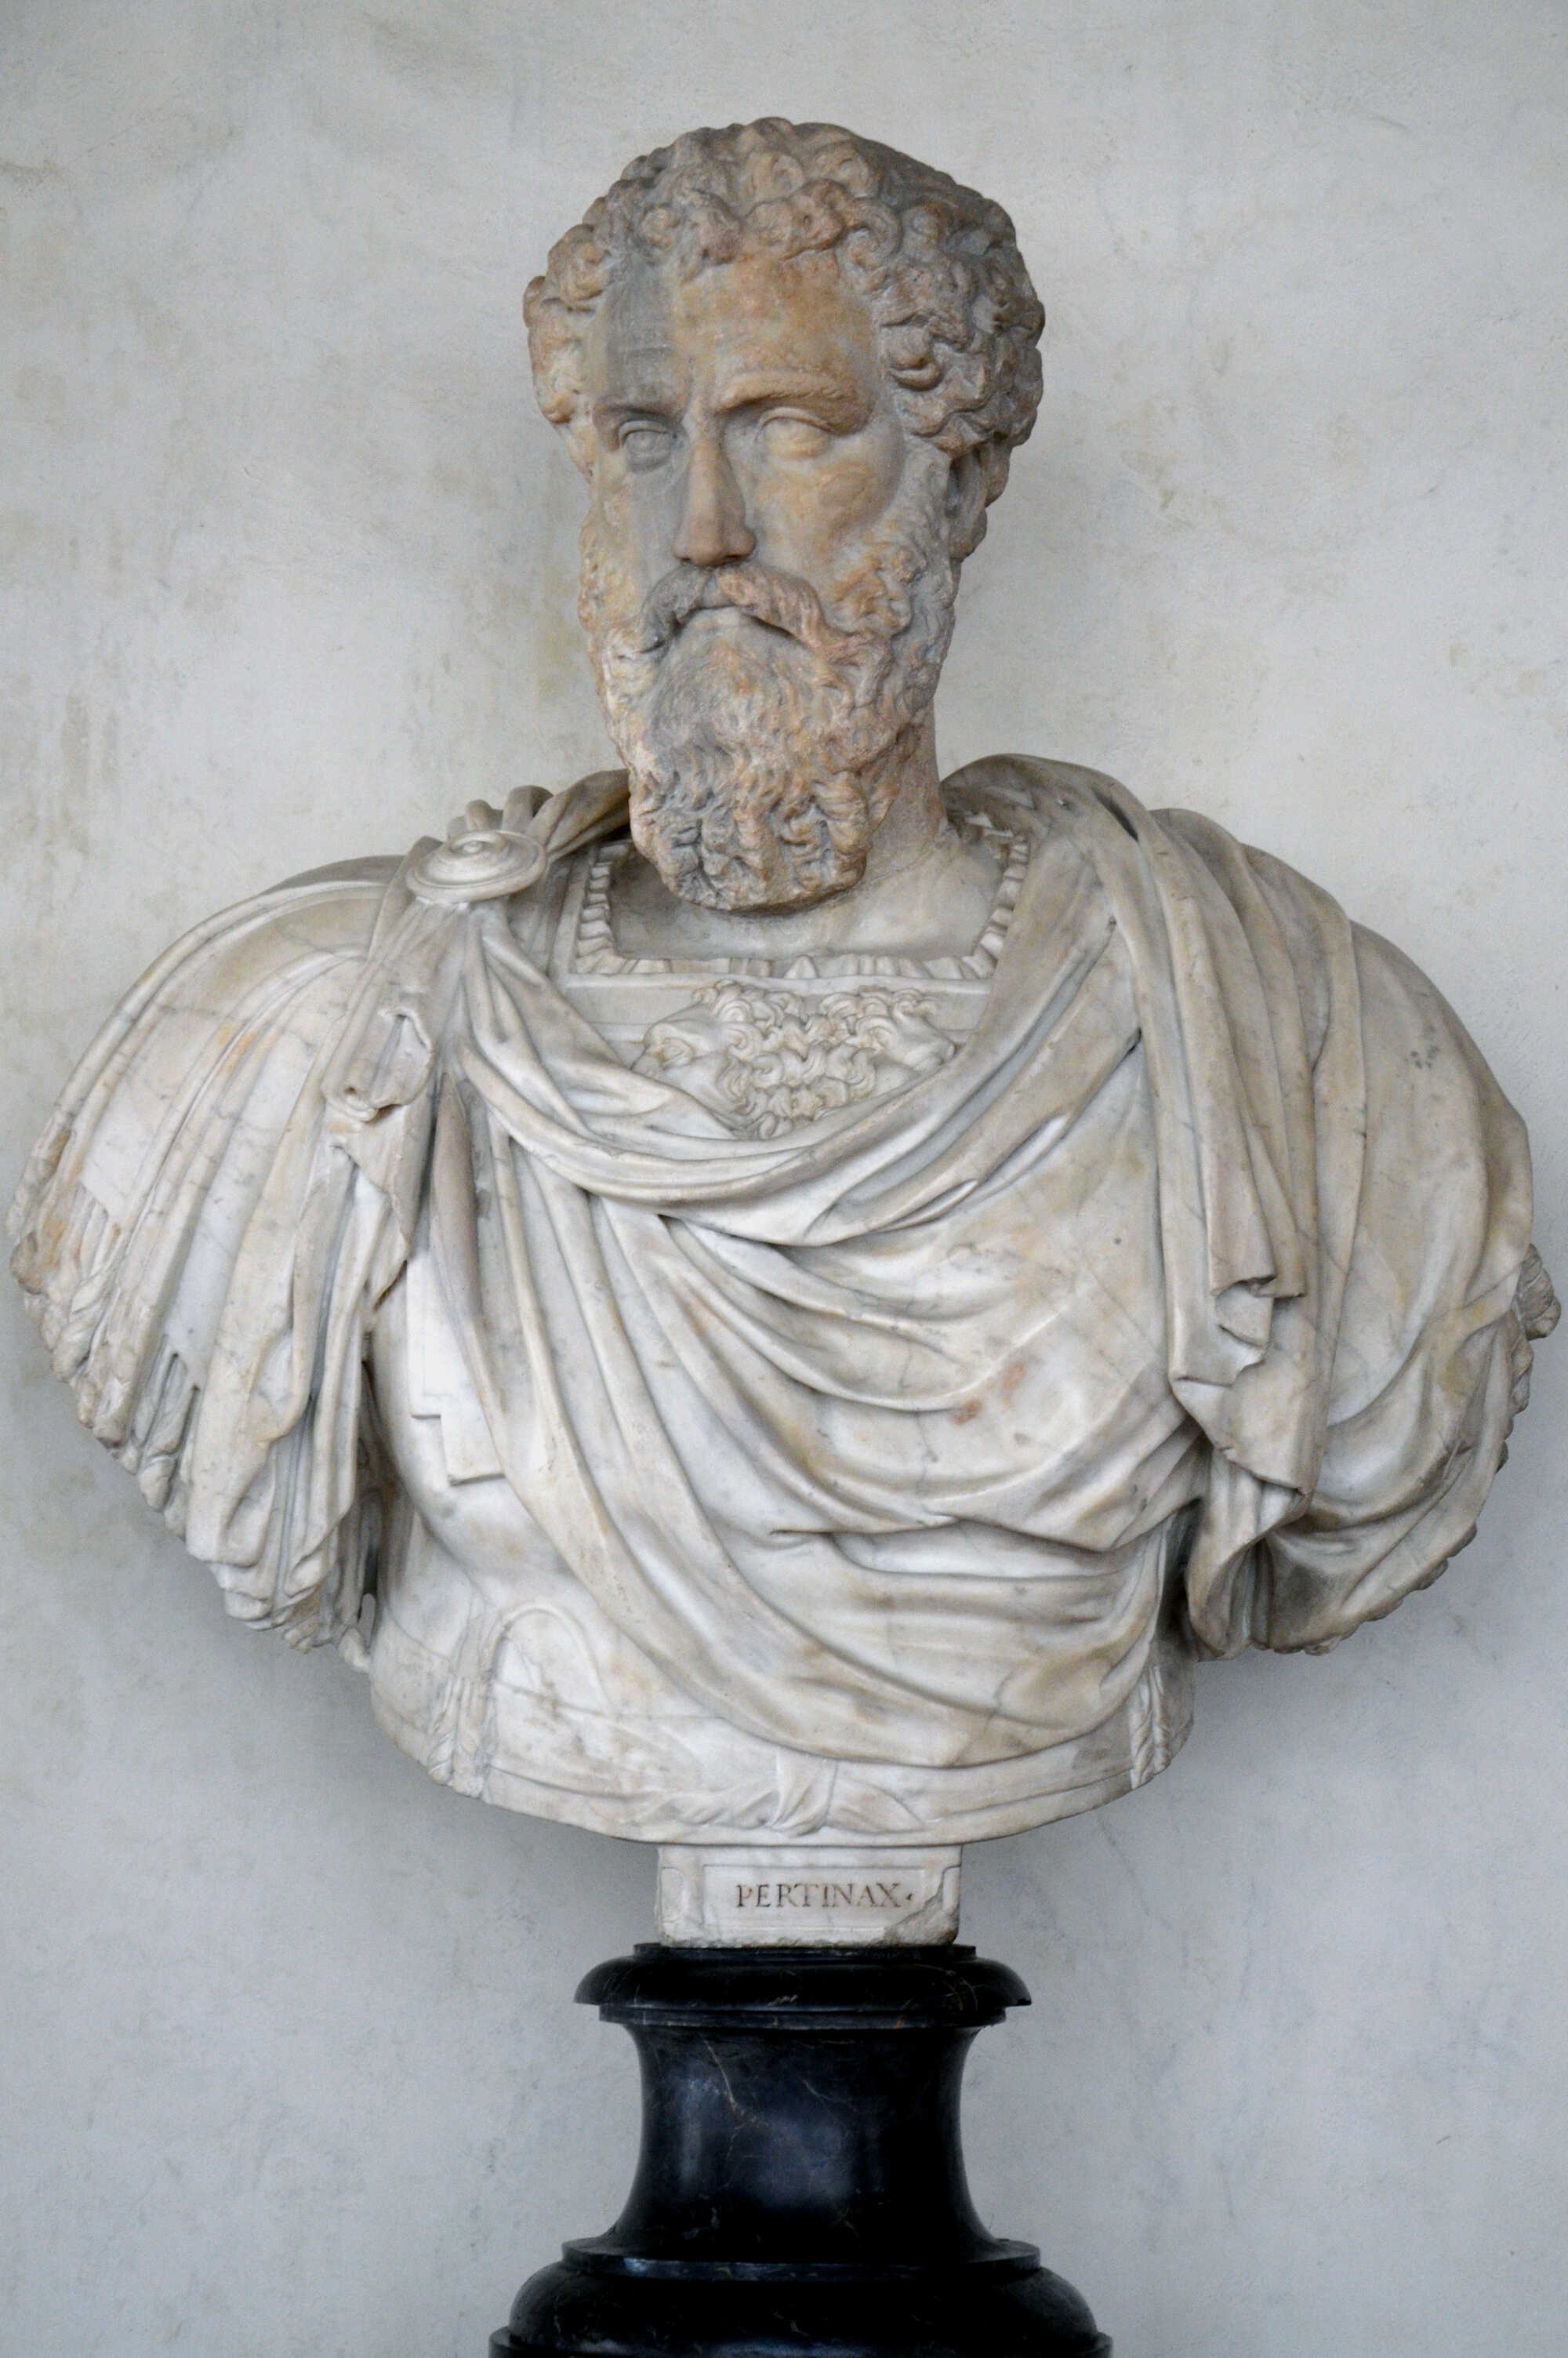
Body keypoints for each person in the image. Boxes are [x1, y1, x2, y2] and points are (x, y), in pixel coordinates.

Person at [10, 120, 1555, 1851]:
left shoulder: (1287, 1032)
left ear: (958, 483)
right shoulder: (310, 1029)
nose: (705, 532)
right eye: (641, 440)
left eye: (790, 432)